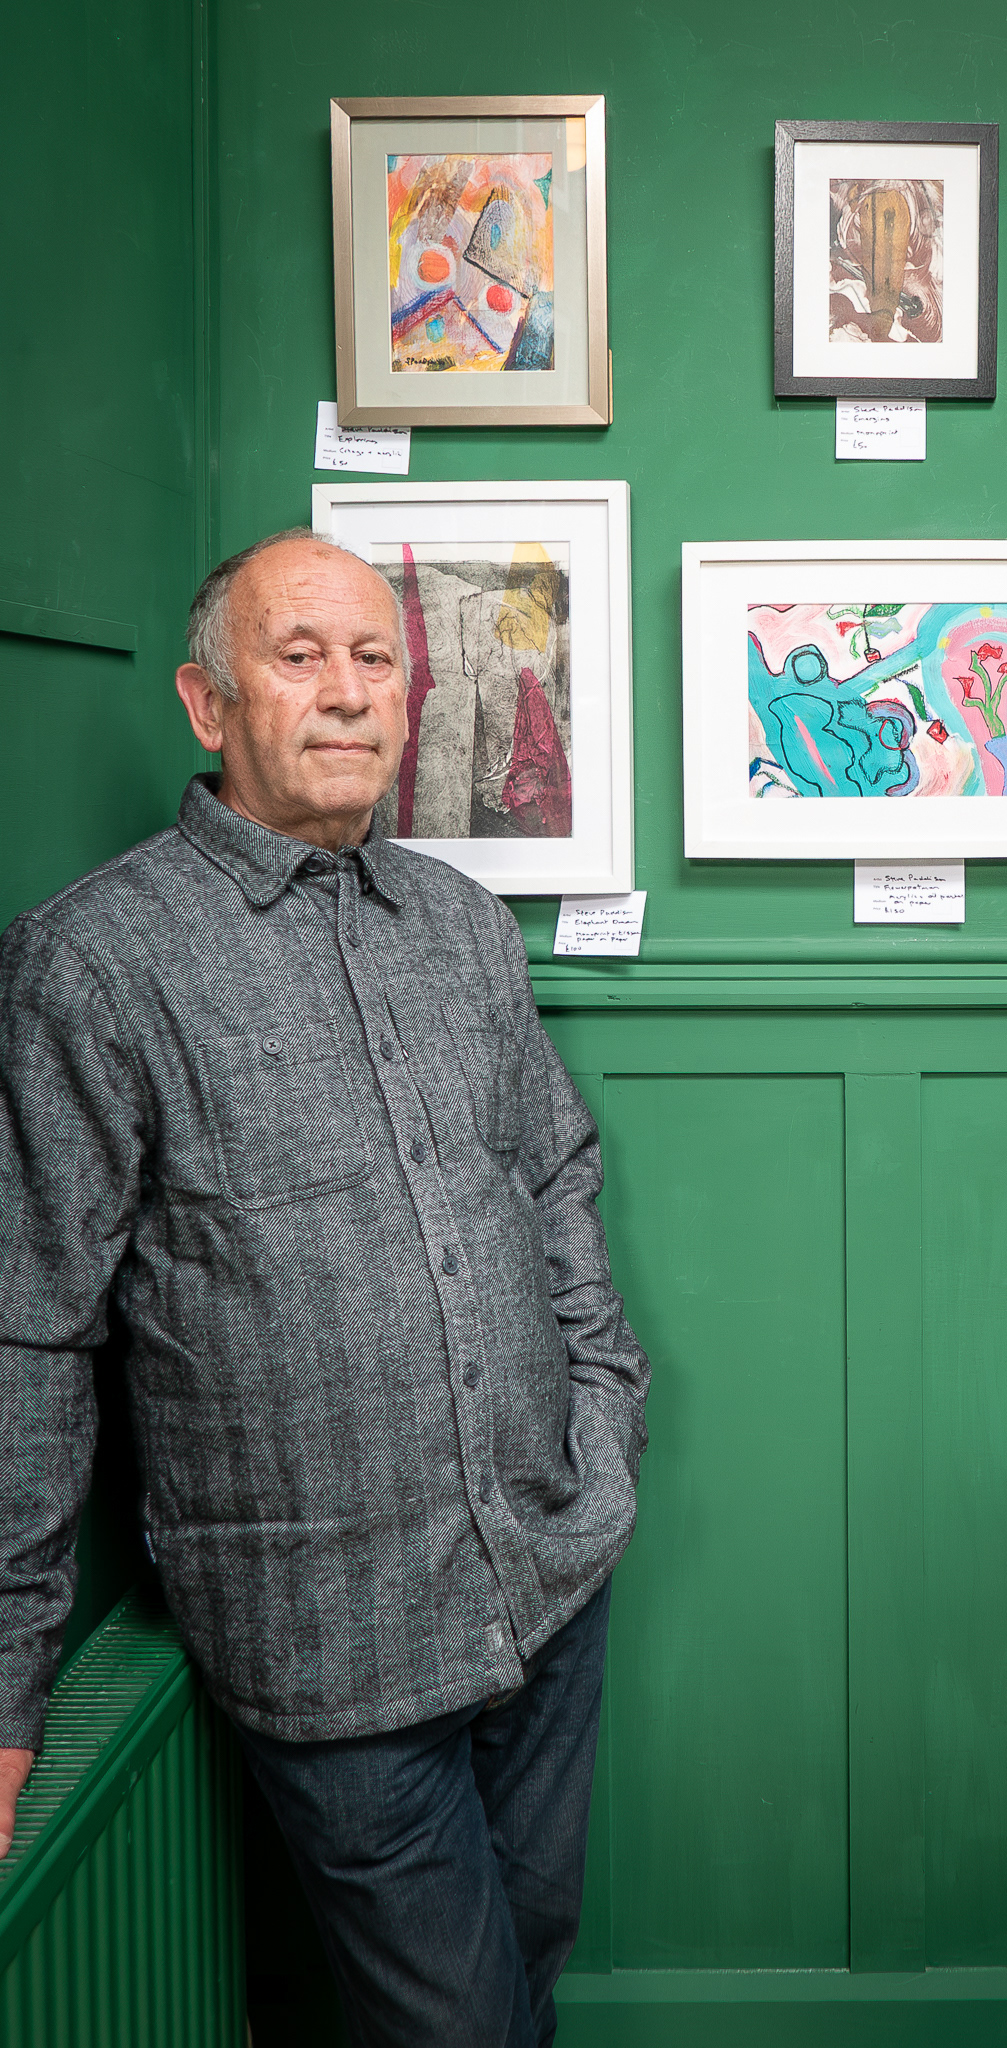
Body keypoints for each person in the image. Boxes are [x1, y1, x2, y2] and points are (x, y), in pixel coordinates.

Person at [0, 530, 649, 2047]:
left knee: (531, 1959)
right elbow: (29, 1325)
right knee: (457, 2026)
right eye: (301, 657)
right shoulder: (94, 964)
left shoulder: (460, 924)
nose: (350, 696)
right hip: (327, 1630)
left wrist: (607, 1419)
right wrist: (7, 1679)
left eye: (375, 660)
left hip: (549, 1577)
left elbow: (552, 1173)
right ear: (209, 704)